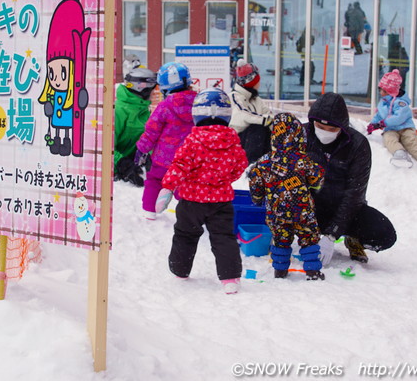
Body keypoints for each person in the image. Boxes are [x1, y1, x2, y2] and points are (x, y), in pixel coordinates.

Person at [159, 88, 248, 294]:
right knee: (223, 237)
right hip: (221, 202)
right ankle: (230, 278)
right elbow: (240, 165)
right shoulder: (232, 142)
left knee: (185, 235)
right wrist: (225, 179)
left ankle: (180, 269)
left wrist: (168, 187)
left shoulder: (193, 141)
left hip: (191, 200)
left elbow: (179, 165)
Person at [304, 92, 397, 264]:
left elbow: (354, 194)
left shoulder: (357, 144)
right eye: (320, 127)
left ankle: (353, 238)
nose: (325, 133)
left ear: (342, 127)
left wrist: (332, 234)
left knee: (384, 234)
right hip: (309, 207)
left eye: (332, 129)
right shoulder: (300, 135)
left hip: (344, 209)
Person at [248, 113, 326, 280]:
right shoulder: (302, 160)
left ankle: (280, 271)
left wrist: (257, 198)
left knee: (280, 240)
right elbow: (317, 176)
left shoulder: (264, 162)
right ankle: (313, 271)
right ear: (299, 136)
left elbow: (255, 180)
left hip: (277, 213)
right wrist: (314, 184)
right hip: (303, 211)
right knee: (309, 238)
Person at [135, 62, 197, 220]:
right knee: (186, 184)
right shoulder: (199, 103)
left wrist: (142, 149)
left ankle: (150, 210)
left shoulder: (165, 106)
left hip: (163, 158)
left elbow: (152, 130)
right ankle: (187, 212)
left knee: (154, 180)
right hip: (188, 158)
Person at [367, 69, 417, 175]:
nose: (380, 92)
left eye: (382, 90)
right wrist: (372, 125)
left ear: (390, 91)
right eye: (380, 89)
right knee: (389, 139)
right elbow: (378, 115)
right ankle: (399, 153)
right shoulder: (383, 103)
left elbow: (399, 118)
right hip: (391, 129)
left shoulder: (401, 103)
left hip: (406, 128)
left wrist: (383, 123)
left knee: (412, 143)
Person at [113, 66, 157, 187]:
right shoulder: (119, 111)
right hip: (117, 173)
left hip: (135, 168)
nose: (154, 93)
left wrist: (150, 155)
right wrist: (123, 164)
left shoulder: (142, 110)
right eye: (153, 89)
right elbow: (106, 147)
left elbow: (147, 137)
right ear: (142, 89)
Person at [229, 60, 273, 163]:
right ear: (253, 81)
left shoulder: (255, 99)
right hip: (237, 142)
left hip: (253, 144)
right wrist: (265, 121)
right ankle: (252, 166)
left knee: (267, 130)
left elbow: (268, 114)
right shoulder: (234, 97)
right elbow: (242, 116)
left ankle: (269, 162)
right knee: (257, 128)